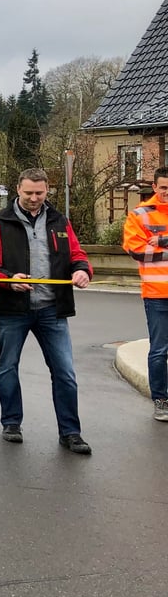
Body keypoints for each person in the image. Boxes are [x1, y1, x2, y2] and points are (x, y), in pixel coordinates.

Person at [0, 168, 93, 454]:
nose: (34, 198)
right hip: (12, 309)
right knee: (8, 366)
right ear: (18, 189)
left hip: (53, 309)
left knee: (64, 372)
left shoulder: (59, 221)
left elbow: (77, 255)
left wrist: (82, 272)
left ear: (47, 190)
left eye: (39, 193)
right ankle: (11, 423)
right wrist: (6, 280)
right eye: (28, 193)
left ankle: (71, 432)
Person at [122, 166, 168, 422]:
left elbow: (150, 249)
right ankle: (161, 400)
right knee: (160, 350)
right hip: (157, 293)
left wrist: (161, 241)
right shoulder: (140, 215)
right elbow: (137, 251)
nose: (167, 193)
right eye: (163, 188)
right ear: (155, 187)